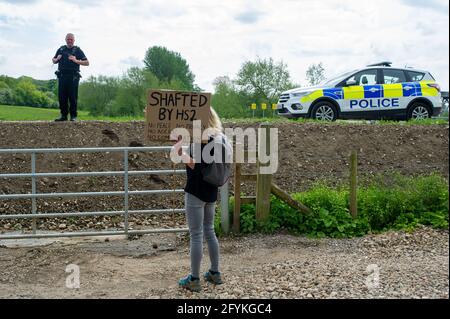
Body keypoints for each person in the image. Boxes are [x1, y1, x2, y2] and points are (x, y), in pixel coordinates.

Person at [172, 107, 225, 292]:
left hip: (196, 191)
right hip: (211, 190)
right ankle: (214, 272)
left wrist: (178, 148)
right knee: (209, 231)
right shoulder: (219, 137)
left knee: (196, 234)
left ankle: (194, 279)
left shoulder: (202, 138)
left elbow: (195, 163)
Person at [52, 33, 89, 122]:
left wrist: (76, 60)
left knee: (72, 97)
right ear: (65, 40)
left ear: (74, 40)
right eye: (68, 39)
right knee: (62, 97)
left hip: (73, 77)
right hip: (62, 76)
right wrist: (56, 59)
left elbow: (87, 62)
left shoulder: (77, 50)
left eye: (71, 39)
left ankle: (73, 116)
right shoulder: (61, 49)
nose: (69, 41)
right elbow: (53, 59)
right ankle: (63, 115)